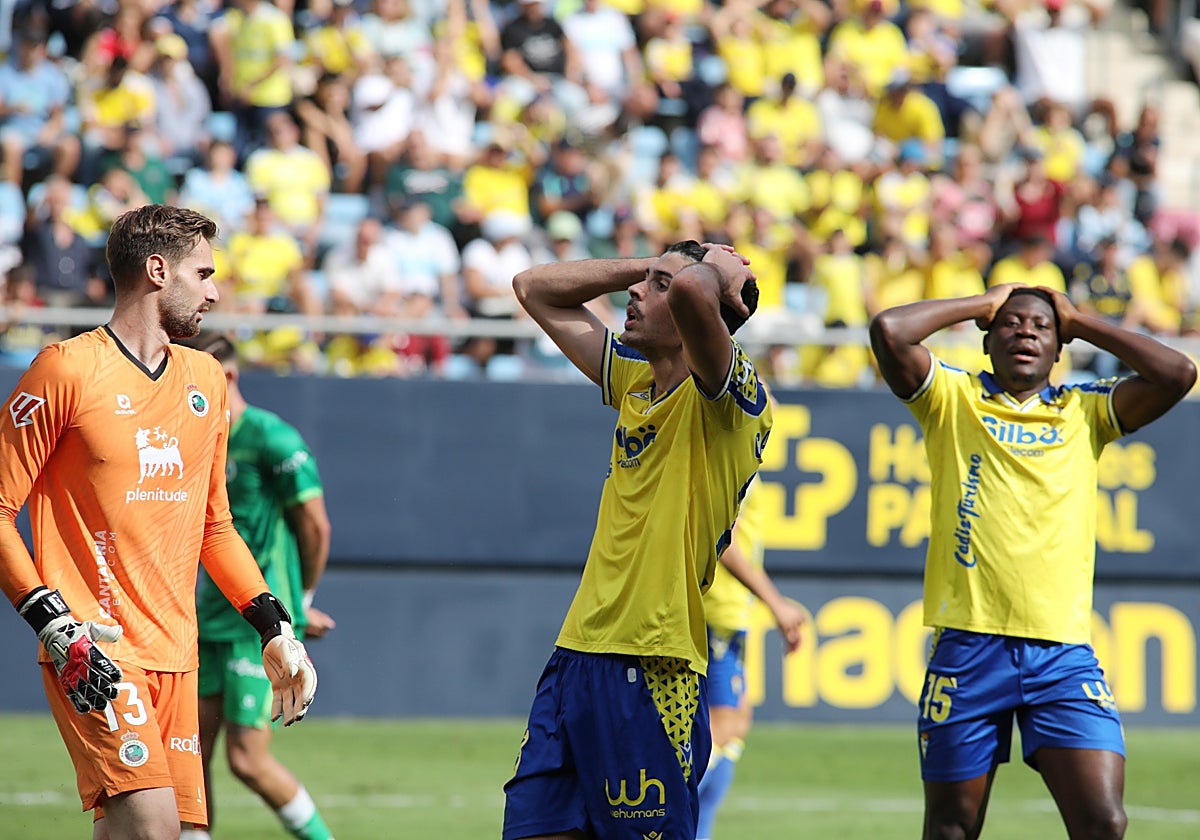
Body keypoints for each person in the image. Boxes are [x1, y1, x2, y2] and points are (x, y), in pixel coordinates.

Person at [0, 204, 318, 839]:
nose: (215, 290)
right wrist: (52, 621)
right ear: (155, 271)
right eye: (202, 273)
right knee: (156, 832)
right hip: (96, 652)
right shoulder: (65, 368)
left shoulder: (205, 377)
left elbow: (215, 527)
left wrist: (275, 627)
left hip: (181, 654)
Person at [868, 284, 1196, 840]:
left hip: (1061, 653)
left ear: (1059, 348)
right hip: (970, 646)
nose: (1026, 333)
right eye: (1011, 323)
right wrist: (980, 303)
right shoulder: (953, 399)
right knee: (952, 828)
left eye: (1042, 328)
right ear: (988, 338)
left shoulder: (1085, 410)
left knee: (1103, 822)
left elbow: (1179, 374)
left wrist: (1080, 319)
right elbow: (889, 331)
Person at [503, 240, 773, 840]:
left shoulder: (733, 404)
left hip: (656, 663)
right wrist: (649, 265)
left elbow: (695, 291)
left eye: (656, 286)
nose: (635, 291)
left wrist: (705, 274)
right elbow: (532, 288)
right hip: (576, 655)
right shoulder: (633, 380)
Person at [179, 332, 336, 840]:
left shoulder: (272, 438)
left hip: (257, 624)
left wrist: (302, 602)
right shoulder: (195, 437)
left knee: (246, 760)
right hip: (207, 619)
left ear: (228, 377)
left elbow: (315, 526)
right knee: (188, 757)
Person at [696, 472, 805, 840]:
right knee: (721, 725)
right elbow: (722, 541)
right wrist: (775, 603)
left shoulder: (750, 458)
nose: (775, 410)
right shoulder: (737, 460)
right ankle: (647, 819)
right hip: (716, 611)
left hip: (728, 614)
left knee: (737, 720)